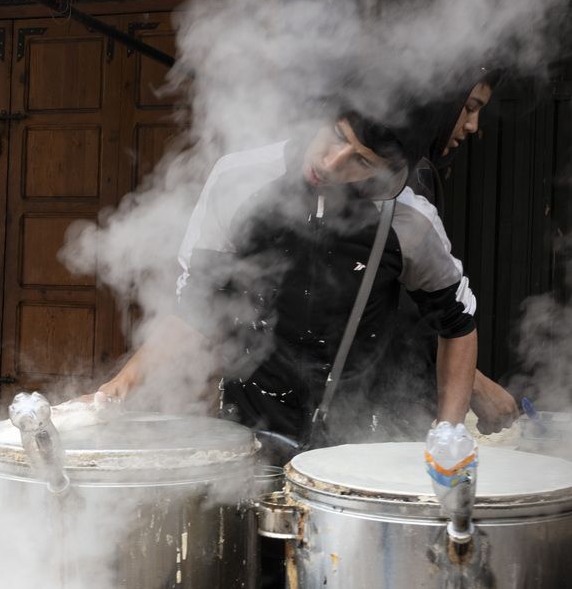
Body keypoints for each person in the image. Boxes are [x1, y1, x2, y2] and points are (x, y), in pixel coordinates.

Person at [96, 104, 481, 447]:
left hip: (358, 441)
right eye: (336, 136)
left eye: (361, 161)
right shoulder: (239, 179)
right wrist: (124, 383)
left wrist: (449, 433)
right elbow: (196, 308)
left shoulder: (409, 220)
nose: (331, 163)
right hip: (248, 432)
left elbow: (457, 324)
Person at [390, 68, 520, 435]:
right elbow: (393, 313)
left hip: (402, 402)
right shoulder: (394, 191)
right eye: (469, 107)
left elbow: (443, 312)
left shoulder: (420, 178)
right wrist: (474, 382)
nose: (473, 126)